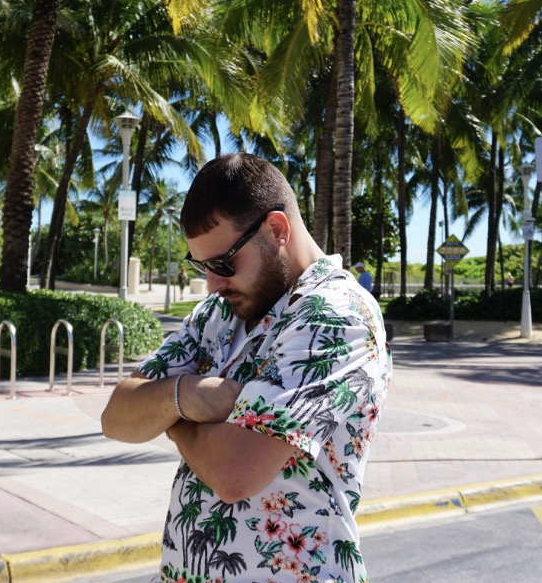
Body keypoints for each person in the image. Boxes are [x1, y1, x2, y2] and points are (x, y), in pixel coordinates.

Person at [102, 153, 391, 583]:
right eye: (202, 267)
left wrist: (170, 415)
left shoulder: (335, 315)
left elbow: (234, 473)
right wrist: (189, 396)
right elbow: (116, 417)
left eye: (222, 264)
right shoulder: (218, 313)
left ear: (276, 229)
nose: (213, 284)